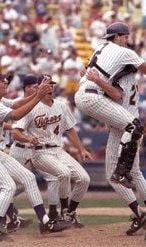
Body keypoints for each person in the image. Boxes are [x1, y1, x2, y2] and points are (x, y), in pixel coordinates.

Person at [75, 21, 146, 236]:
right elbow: (144, 70)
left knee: (117, 174)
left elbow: (117, 95)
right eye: (125, 36)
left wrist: (94, 78)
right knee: (134, 172)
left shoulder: (120, 72)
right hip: (124, 123)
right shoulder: (123, 66)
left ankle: (140, 211)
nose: (128, 41)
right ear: (117, 37)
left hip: (127, 126)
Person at [0, 70, 70, 242]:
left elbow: (16, 104)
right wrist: (38, 97)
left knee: (29, 178)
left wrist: (38, 93)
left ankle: (45, 221)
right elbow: (15, 115)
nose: (6, 82)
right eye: (2, 81)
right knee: (8, 186)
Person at [14, 75, 91, 227]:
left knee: (84, 179)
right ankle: (64, 211)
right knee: (64, 173)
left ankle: (69, 213)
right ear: (39, 88)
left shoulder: (61, 105)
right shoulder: (31, 107)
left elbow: (70, 129)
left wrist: (81, 149)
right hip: (40, 153)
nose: (50, 87)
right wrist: (29, 139)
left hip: (58, 150)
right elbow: (16, 132)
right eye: (46, 85)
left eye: (52, 84)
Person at [8, 75, 61, 221]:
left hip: (36, 150)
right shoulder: (19, 102)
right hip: (20, 148)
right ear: (25, 88)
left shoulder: (39, 102)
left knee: (53, 177)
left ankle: (53, 214)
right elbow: (13, 128)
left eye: (38, 86)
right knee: (14, 185)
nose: (38, 88)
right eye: (34, 86)